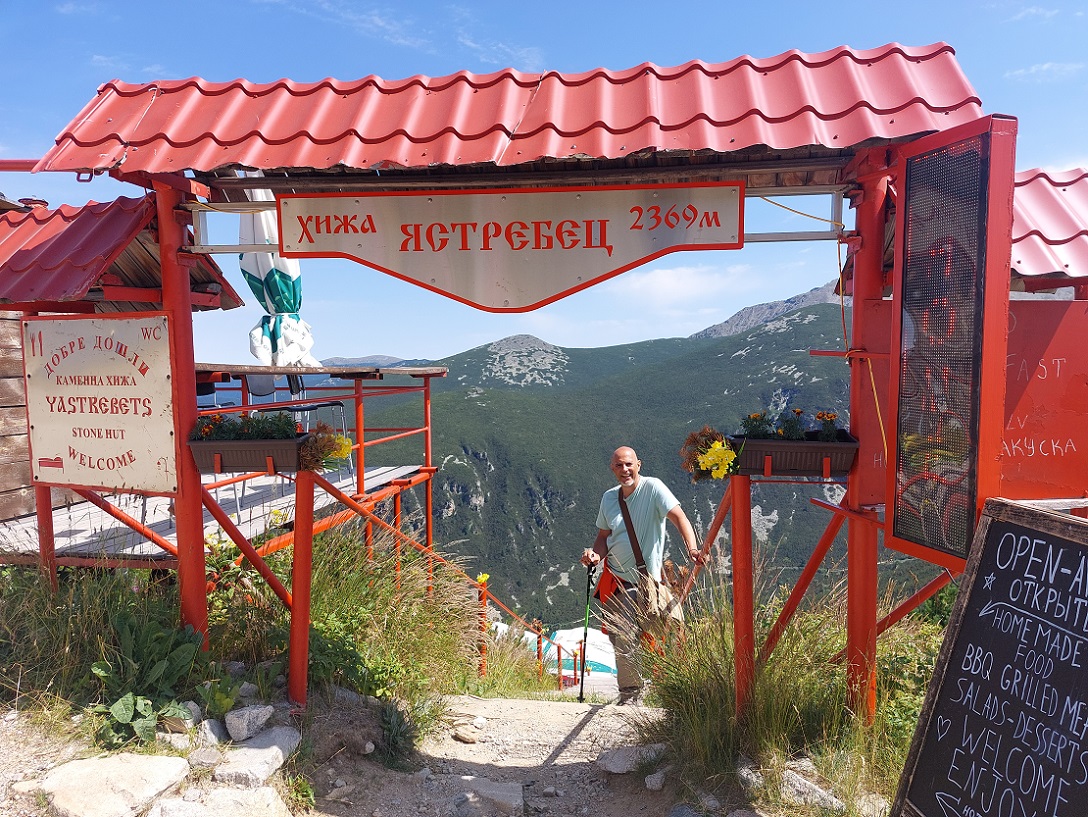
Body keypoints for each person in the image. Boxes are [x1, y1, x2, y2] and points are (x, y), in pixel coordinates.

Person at [581, 446, 702, 703]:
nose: (624, 470)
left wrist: (692, 547)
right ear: (612, 469)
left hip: (647, 583)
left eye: (628, 464)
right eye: (619, 466)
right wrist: (595, 555)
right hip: (616, 581)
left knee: (673, 632)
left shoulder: (654, 488)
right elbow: (603, 537)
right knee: (623, 637)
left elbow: (679, 517)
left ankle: (680, 691)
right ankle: (631, 693)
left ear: (639, 464)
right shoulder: (609, 499)